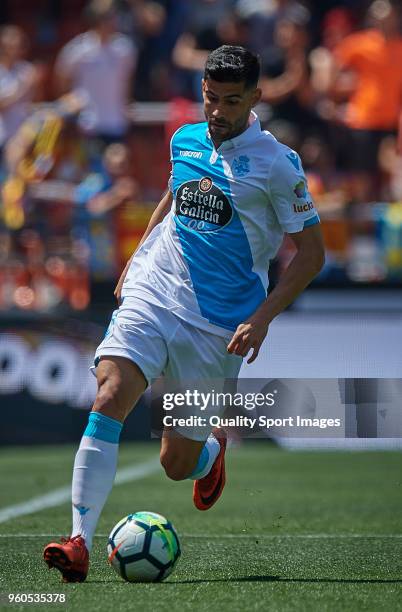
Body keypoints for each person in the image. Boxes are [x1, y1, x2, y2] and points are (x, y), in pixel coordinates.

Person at [43, 45, 324, 582]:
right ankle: (78, 541)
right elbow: (176, 195)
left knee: (176, 463)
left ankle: (207, 458)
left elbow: (312, 254)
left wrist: (262, 317)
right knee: (110, 392)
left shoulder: (277, 164)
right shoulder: (184, 138)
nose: (218, 111)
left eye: (232, 101)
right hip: (157, 287)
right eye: (211, 98)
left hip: (218, 325)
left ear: (256, 98)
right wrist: (136, 256)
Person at [54, 0, 137, 143]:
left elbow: (126, 80)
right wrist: (70, 99)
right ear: (97, 20)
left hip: (116, 123)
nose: (114, 21)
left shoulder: (125, 49)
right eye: (109, 17)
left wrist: (126, 104)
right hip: (87, 125)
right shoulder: (78, 49)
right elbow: (61, 76)